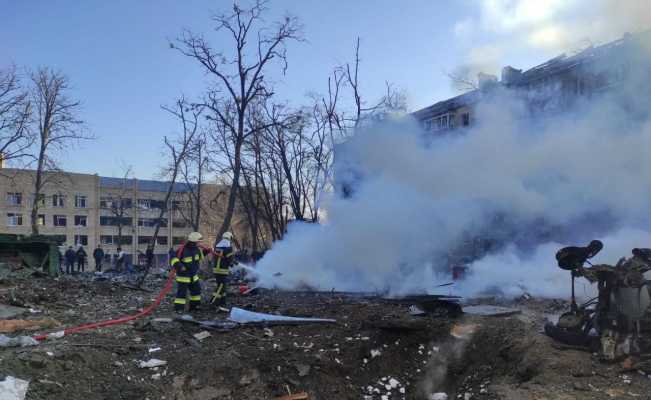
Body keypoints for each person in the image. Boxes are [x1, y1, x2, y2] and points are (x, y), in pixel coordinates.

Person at [170, 232, 208, 313]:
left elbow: (199, 257)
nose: (200, 243)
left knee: (196, 291)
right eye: (199, 241)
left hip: (193, 276)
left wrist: (206, 252)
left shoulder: (196, 250)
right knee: (182, 294)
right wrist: (180, 266)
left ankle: (194, 307)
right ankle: (178, 309)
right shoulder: (182, 250)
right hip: (184, 276)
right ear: (194, 241)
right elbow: (173, 259)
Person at [211, 231, 237, 310]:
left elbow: (224, 257)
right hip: (223, 270)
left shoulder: (218, 246)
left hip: (216, 269)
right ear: (230, 238)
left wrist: (233, 261)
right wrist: (232, 263)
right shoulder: (228, 246)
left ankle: (223, 302)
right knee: (221, 286)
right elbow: (229, 258)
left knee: (223, 286)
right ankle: (213, 301)